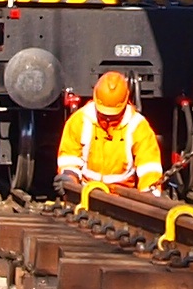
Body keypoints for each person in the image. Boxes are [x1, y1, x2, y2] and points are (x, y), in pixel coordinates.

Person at [55, 70, 165, 199]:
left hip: (123, 197)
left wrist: (150, 193)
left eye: (113, 115)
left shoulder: (137, 126)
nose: (108, 119)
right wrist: (69, 179)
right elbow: (69, 158)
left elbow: (149, 165)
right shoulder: (79, 121)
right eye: (104, 114)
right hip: (86, 193)